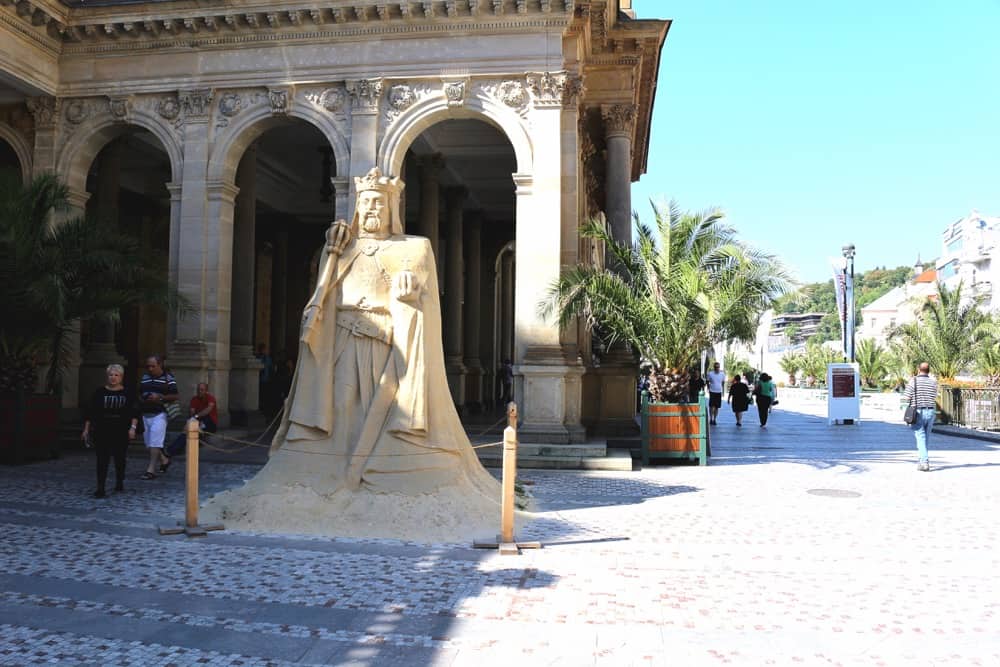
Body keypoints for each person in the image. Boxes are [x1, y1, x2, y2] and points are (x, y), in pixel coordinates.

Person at [264, 167, 499, 494]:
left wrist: (412, 289)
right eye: (367, 201)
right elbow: (324, 292)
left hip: (382, 342)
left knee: (382, 404)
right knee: (341, 403)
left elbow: (424, 292)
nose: (372, 207)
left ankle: (365, 467)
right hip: (345, 338)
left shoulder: (411, 248)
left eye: (378, 202)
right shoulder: (343, 249)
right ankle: (336, 466)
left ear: (391, 210)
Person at [81, 364, 138, 497]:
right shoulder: (99, 392)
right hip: (102, 430)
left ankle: (119, 481)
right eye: (111, 375)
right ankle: (100, 488)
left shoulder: (127, 393)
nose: (113, 377)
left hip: (121, 430)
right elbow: (91, 412)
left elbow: (134, 412)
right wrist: (86, 429)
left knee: (120, 458)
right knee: (102, 459)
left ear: (121, 377)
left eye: (116, 375)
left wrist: (133, 428)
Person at [138, 354, 178, 480]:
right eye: (148, 366)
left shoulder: (168, 378)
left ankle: (151, 469)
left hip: (160, 413)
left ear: (160, 365)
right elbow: (139, 392)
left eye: (153, 366)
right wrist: (143, 398)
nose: (150, 369)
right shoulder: (145, 377)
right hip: (146, 412)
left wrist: (159, 397)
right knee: (149, 442)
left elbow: (175, 395)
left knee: (155, 441)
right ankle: (165, 460)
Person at [163, 382, 218, 463]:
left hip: (210, 423)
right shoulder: (194, 399)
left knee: (193, 428)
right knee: (187, 431)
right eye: (198, 389)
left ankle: (172, 450)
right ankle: (171, 450)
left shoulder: (210, 398)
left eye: (202, 390)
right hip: (198, 421)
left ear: (206, 391)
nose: (200, 391)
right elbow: (192, 411)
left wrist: (195, 417)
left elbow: (208, 410)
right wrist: (192, 420)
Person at [904, 362, 938, 471]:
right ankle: (921, 460)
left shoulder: (913, 381)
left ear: (919, 370)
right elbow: (934, 396)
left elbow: (906, 397)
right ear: (928, 371)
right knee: (925, 438)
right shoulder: (933, 382)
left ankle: (924, 462)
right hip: (931, 411)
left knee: (920, 437)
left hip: (918, 412)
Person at [256, 344, 273, 411]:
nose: (265, 351)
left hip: (266, 380)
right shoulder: (257, 358)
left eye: (265, 349)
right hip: (258, 380)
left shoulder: (268, 358)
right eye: (263, 349)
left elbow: (270, 368)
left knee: (265, 396)